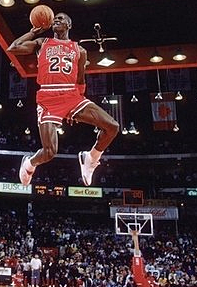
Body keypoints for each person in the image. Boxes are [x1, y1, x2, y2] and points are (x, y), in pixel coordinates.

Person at [7, 11, 119, 186]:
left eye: (61, 18)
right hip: (48, 96)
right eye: (55, 19)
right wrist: (34, 31)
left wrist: (78, 107)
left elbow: (81, 78)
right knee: (50, 152)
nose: (56, 20)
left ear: (69, 24)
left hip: (72, 95)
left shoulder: (80, 50)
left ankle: (90, 158)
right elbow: (13, 48)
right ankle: (29, 163)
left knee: (112, 127)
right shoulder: (41, 43)